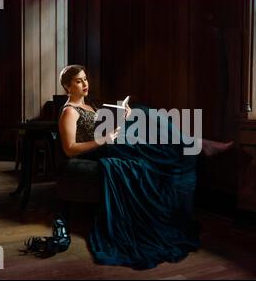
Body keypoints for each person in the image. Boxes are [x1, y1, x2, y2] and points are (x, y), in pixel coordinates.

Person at [57, 64, 233, 269]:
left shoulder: (91, 105)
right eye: (79, 81)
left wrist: (121, 116)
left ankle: (192, 142)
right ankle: (196, 143)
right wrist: (104, 140)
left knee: (141, 113)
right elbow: (69, 149)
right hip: (99, 148)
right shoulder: (69, 112)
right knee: (145, 122)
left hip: (110, 139)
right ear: (68, 87)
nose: (85, 83)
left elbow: (104, 127)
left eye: (85, 78)